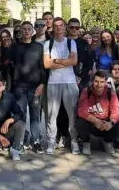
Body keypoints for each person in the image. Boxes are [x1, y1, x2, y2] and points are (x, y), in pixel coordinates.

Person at [9, 21, 46, 154]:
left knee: (35, 116)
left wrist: (42, 84)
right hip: (19, 87)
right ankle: (22, 141)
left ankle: (36, 141)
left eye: (29, 29)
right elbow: (10, 67)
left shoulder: (38, 47)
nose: (26, 31)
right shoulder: (15, 47)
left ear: (32, 31)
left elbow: (42, 67)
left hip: (35, 87)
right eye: (23, 29)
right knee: (21, 115)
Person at [44, 17, 80, 155]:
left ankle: (74, 140)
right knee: (52, 114)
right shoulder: (48, 44)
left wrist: (56, 60)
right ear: (53, 27)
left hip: (69, 81)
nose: (58, 28)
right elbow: (47, 64)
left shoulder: (71, 42)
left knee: (72, 114)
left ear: (65, 27)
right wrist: (66, 61)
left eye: (61, 25)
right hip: (53, 82)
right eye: (56, 25)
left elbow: (74, 62)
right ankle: (51, 141)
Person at [75, 70, 119, 155]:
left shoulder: (111, 93)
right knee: (80, 120)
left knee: (118, 121)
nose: (99, 85)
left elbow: (115, 111)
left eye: (102, 82)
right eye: (96, 81)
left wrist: (111, 123)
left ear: (105, 82)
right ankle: (86, 142)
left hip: (105, 122)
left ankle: (108, 142)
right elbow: (82, 110)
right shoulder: (86, 91)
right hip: (92, 122)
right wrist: (96, 121)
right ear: (92, 81)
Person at [66, 17, 92, 88]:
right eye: (72, 27)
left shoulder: (84, 43)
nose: (74, 29)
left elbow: (89, 61)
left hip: (82, 79)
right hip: (65, 78)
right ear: (67, 28)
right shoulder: (62, 42)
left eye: (76, 28)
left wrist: (81, 76)